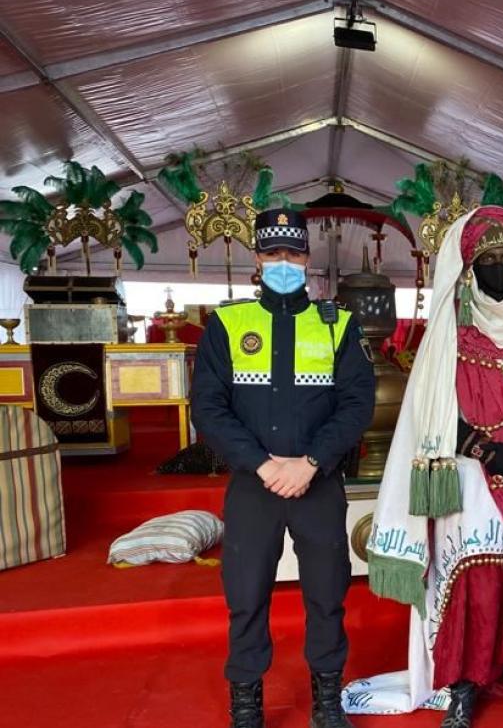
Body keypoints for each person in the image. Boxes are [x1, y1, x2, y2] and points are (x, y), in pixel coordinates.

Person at [342, 206, 503, 728]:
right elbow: (424, 417)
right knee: (468, 586)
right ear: (467, 267)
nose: (499, 270)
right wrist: (483, 449)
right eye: (488, 259)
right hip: (463, 481)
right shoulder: (445, 338)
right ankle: (461, 690)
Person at [191, 207, 376, 728]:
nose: (283, 262)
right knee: (246, 596)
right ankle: (246, 703)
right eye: (273, 254)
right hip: (254, 486)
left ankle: (326, 701)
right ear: (257, 259)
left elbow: (357, 404)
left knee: (327, 595)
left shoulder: (339, 324)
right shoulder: (227, 324)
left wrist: (313, 462)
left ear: (306, 259)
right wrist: (262, 465)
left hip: (318, 484)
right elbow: (207, 407)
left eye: (292, 254)